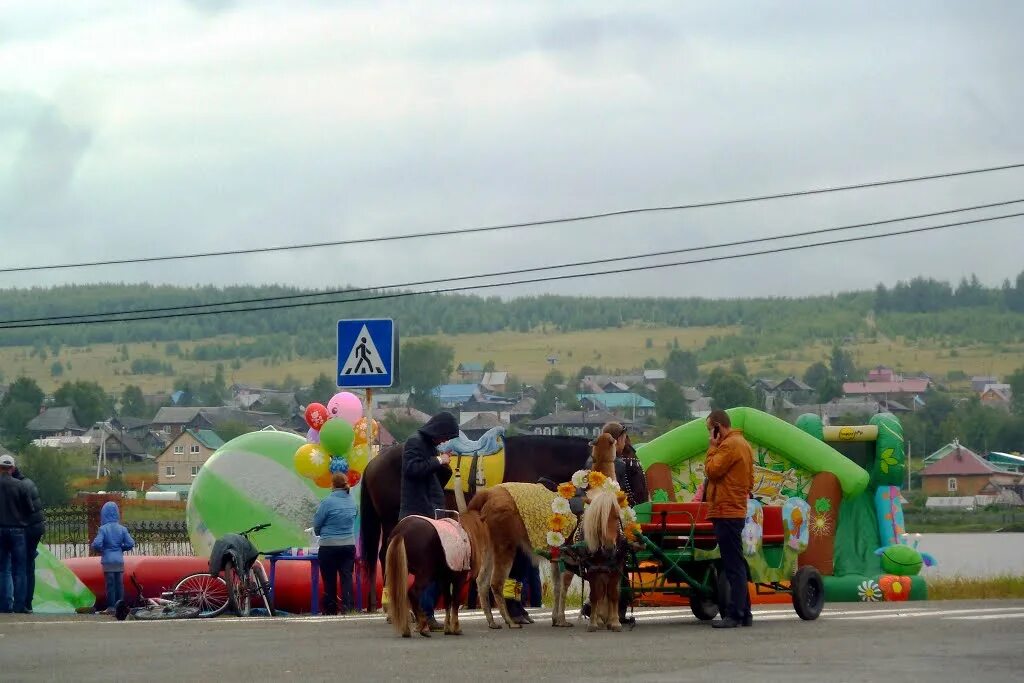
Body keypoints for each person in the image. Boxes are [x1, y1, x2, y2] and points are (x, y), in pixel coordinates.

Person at [581, 421, 650, 625]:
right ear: (618, 439)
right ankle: (613, 606)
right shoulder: (627, 463)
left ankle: (598, 603)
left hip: (600, 513)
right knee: (619, 557)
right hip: (620, 514)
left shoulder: (590, 463)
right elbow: (634, 495)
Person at [399, 411, 459, 631]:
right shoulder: (415, 443)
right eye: (445, 435)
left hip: (429, 511)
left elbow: (432, 477)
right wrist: (437, 460)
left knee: (436, 567)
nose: (445, 440)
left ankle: (426, 613)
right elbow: (412, 470)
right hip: (419, 512)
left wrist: (443, 466)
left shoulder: (428, 445)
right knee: (433, 566)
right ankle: (424, 612)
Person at [704, 409, 755, 629]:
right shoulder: (744, 444)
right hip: (735, 508)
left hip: (725, 509)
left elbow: (711, 471)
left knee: (733, 564)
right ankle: (745, 613)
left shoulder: (727, 445)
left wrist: (712, 446)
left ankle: (735, 613)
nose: (710, 435)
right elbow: (751, 479)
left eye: (710, 429)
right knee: (737, 563)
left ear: (717, 426)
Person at [313, 471, 358, 615]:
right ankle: (348, 608)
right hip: (348, 545)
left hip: (329, 546)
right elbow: (353, 517)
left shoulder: (327, 502)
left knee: (329, 579)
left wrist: (321, 533)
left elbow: (317, 524)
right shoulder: (352, 501)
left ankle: (331, 609)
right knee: (347, 577)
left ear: (332, 484)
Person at [0, 454, 34, 614]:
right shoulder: (21, 486)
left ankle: (4, 605)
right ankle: (19, 606)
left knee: (2, 569)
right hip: (18, 532)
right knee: (20, 569)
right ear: (12, 468)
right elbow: (30, 510)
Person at [91, 501, 136, 613]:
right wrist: (121, 548)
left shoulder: (103, 529)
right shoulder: (122, 529)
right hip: (119, 559)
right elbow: (130, 543)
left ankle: (111, 607)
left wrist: (102, 550)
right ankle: (120, 605)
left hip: (108, 560)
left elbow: (96, 544)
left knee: (110, 584)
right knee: (119, 584)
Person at [12, 467, 45, 614]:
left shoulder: (19, 486)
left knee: (21, 567)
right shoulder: (27, 482)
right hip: (36, 528)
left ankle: (21, 602)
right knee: (28, 567)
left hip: (27, 529)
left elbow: (24, 510)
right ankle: (28, 603)